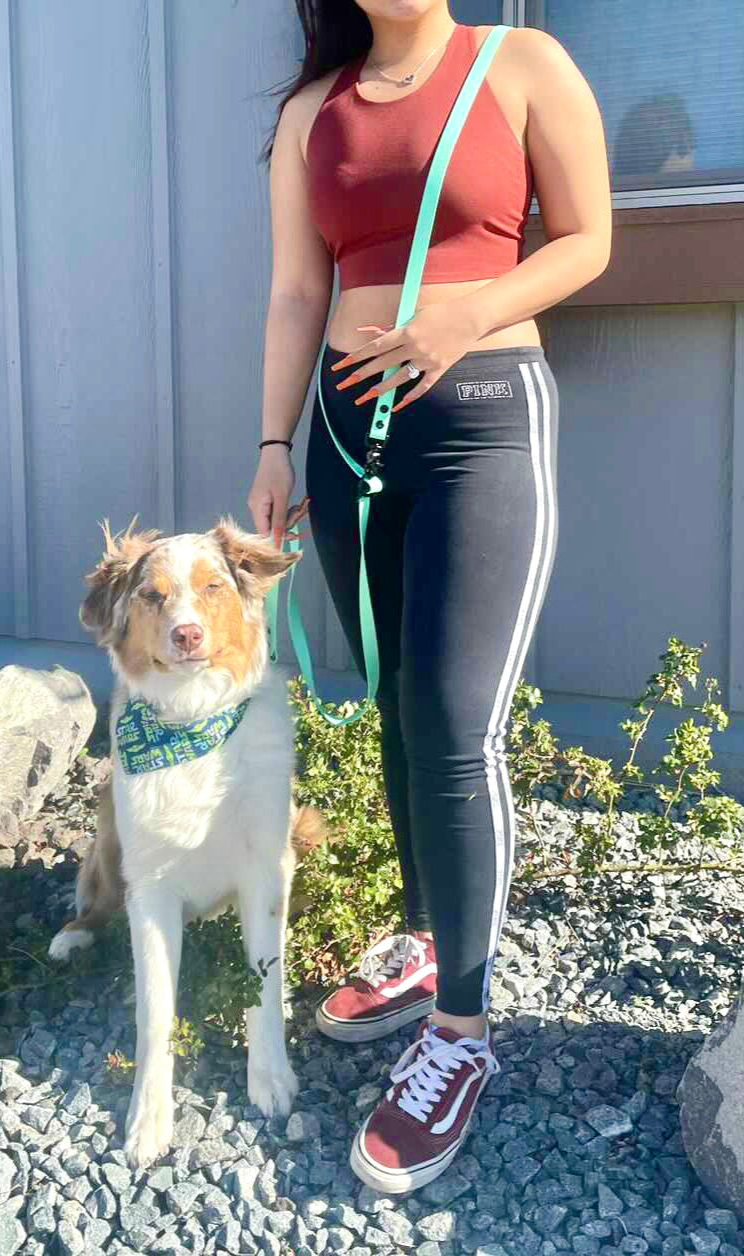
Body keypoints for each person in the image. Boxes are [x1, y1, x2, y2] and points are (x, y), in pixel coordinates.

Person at [247, 0, 611, 1193]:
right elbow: (300, 292)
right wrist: (269, 444)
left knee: (456, 725)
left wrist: (468, 309)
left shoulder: (524, 65)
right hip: (347, 444)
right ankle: (423, 930)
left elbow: (588, 240)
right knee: (397, 699)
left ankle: (460, 1031)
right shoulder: (315, 112)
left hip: (485, 428)